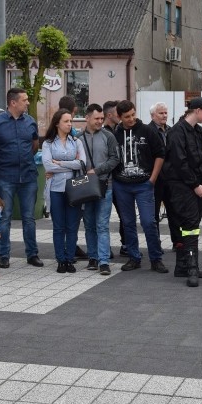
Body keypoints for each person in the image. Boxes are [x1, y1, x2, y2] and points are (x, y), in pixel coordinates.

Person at [0, 88, 42, 269]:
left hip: (28, 176)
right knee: (5, 217)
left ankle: (32, 254)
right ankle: (4, 255)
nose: (28, 103)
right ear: (13, 102)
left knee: (29, 218)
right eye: (25, 100)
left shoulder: (30, 122)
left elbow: (35, 144)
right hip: (5, 176)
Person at [112, 99, 168, 273]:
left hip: (144, 184)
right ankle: (134, 257)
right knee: (127, 222)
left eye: (133, 115)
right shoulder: (115, 133)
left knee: (148, 221)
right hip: (122, 185)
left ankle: (156, 258)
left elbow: (160, 154)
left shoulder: (147, 130)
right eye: (127, 117)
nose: (131, 119)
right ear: (119, 117)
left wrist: (152, 179)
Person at [163, 97, 202, 286]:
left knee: (191, 224)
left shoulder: (200, 132)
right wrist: (195, 185)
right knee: (190, 225)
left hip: (198, 186)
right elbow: (179, 162)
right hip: (182, 186)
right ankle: (191, 267)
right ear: (198, 110)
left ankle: (182, 266)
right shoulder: (177, 132)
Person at [42, 108, 87, 273]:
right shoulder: (48, 143)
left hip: (74, 188)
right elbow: (47, 165)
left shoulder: (76, 142)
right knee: (59, 226)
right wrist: (70, 164)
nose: (70, 124)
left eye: (71, 121)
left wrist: (60, 163)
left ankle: (70, 258)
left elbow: (82, 163)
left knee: (72, 226)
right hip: (55, 189)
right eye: (66, 121)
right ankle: (61, 259)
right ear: (57, 123)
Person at [80, 104, 120, 275]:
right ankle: (93, 257)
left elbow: (115, 159)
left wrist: (97, 171)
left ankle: (104, 261)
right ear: (87, 118)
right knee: (89, 224)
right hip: (85, 187)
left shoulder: (108, 136)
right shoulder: (78, 138)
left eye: (101, 118)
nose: (99, 121)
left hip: (105, 186)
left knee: (102, 224)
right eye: (96, 118)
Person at [149, 102, 181, 249]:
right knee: (154, 214)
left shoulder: (170, 130)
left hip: (171, 178)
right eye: (161, 113)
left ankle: (178, 241)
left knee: (174, 211)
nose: (164, 116)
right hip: (155, 179)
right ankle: (156, 243)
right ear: (153, 115)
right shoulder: (148, 131)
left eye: (166, 113)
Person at [103, 99, 127, 256]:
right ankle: (105, 248)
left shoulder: (120, 130)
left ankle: (125, 245)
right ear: (110, 114)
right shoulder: (102, 133)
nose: (121, 116)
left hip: (119, 180)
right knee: (103, 217)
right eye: (118, 114)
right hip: (104, 180)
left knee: (125, 214)